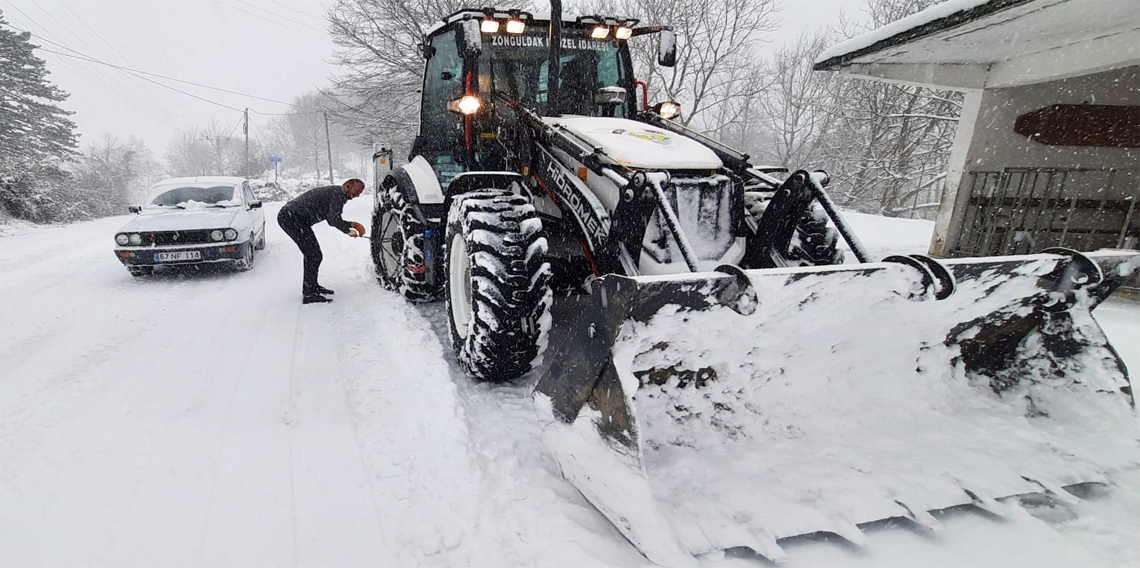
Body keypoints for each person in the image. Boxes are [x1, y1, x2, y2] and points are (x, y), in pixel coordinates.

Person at [277, 178, 366, 304]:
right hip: (291, 217)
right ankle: (309, 294)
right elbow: (333, 219)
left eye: (360, 193)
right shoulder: (338, 194)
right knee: (313, 255)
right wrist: (350, 229)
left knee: (314, 254)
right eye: (357, 191)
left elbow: (332, 217)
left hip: (293, 217)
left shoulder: (337, 193)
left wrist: (351, 226)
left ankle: (312, 287)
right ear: (347, 186)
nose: (357, 195)